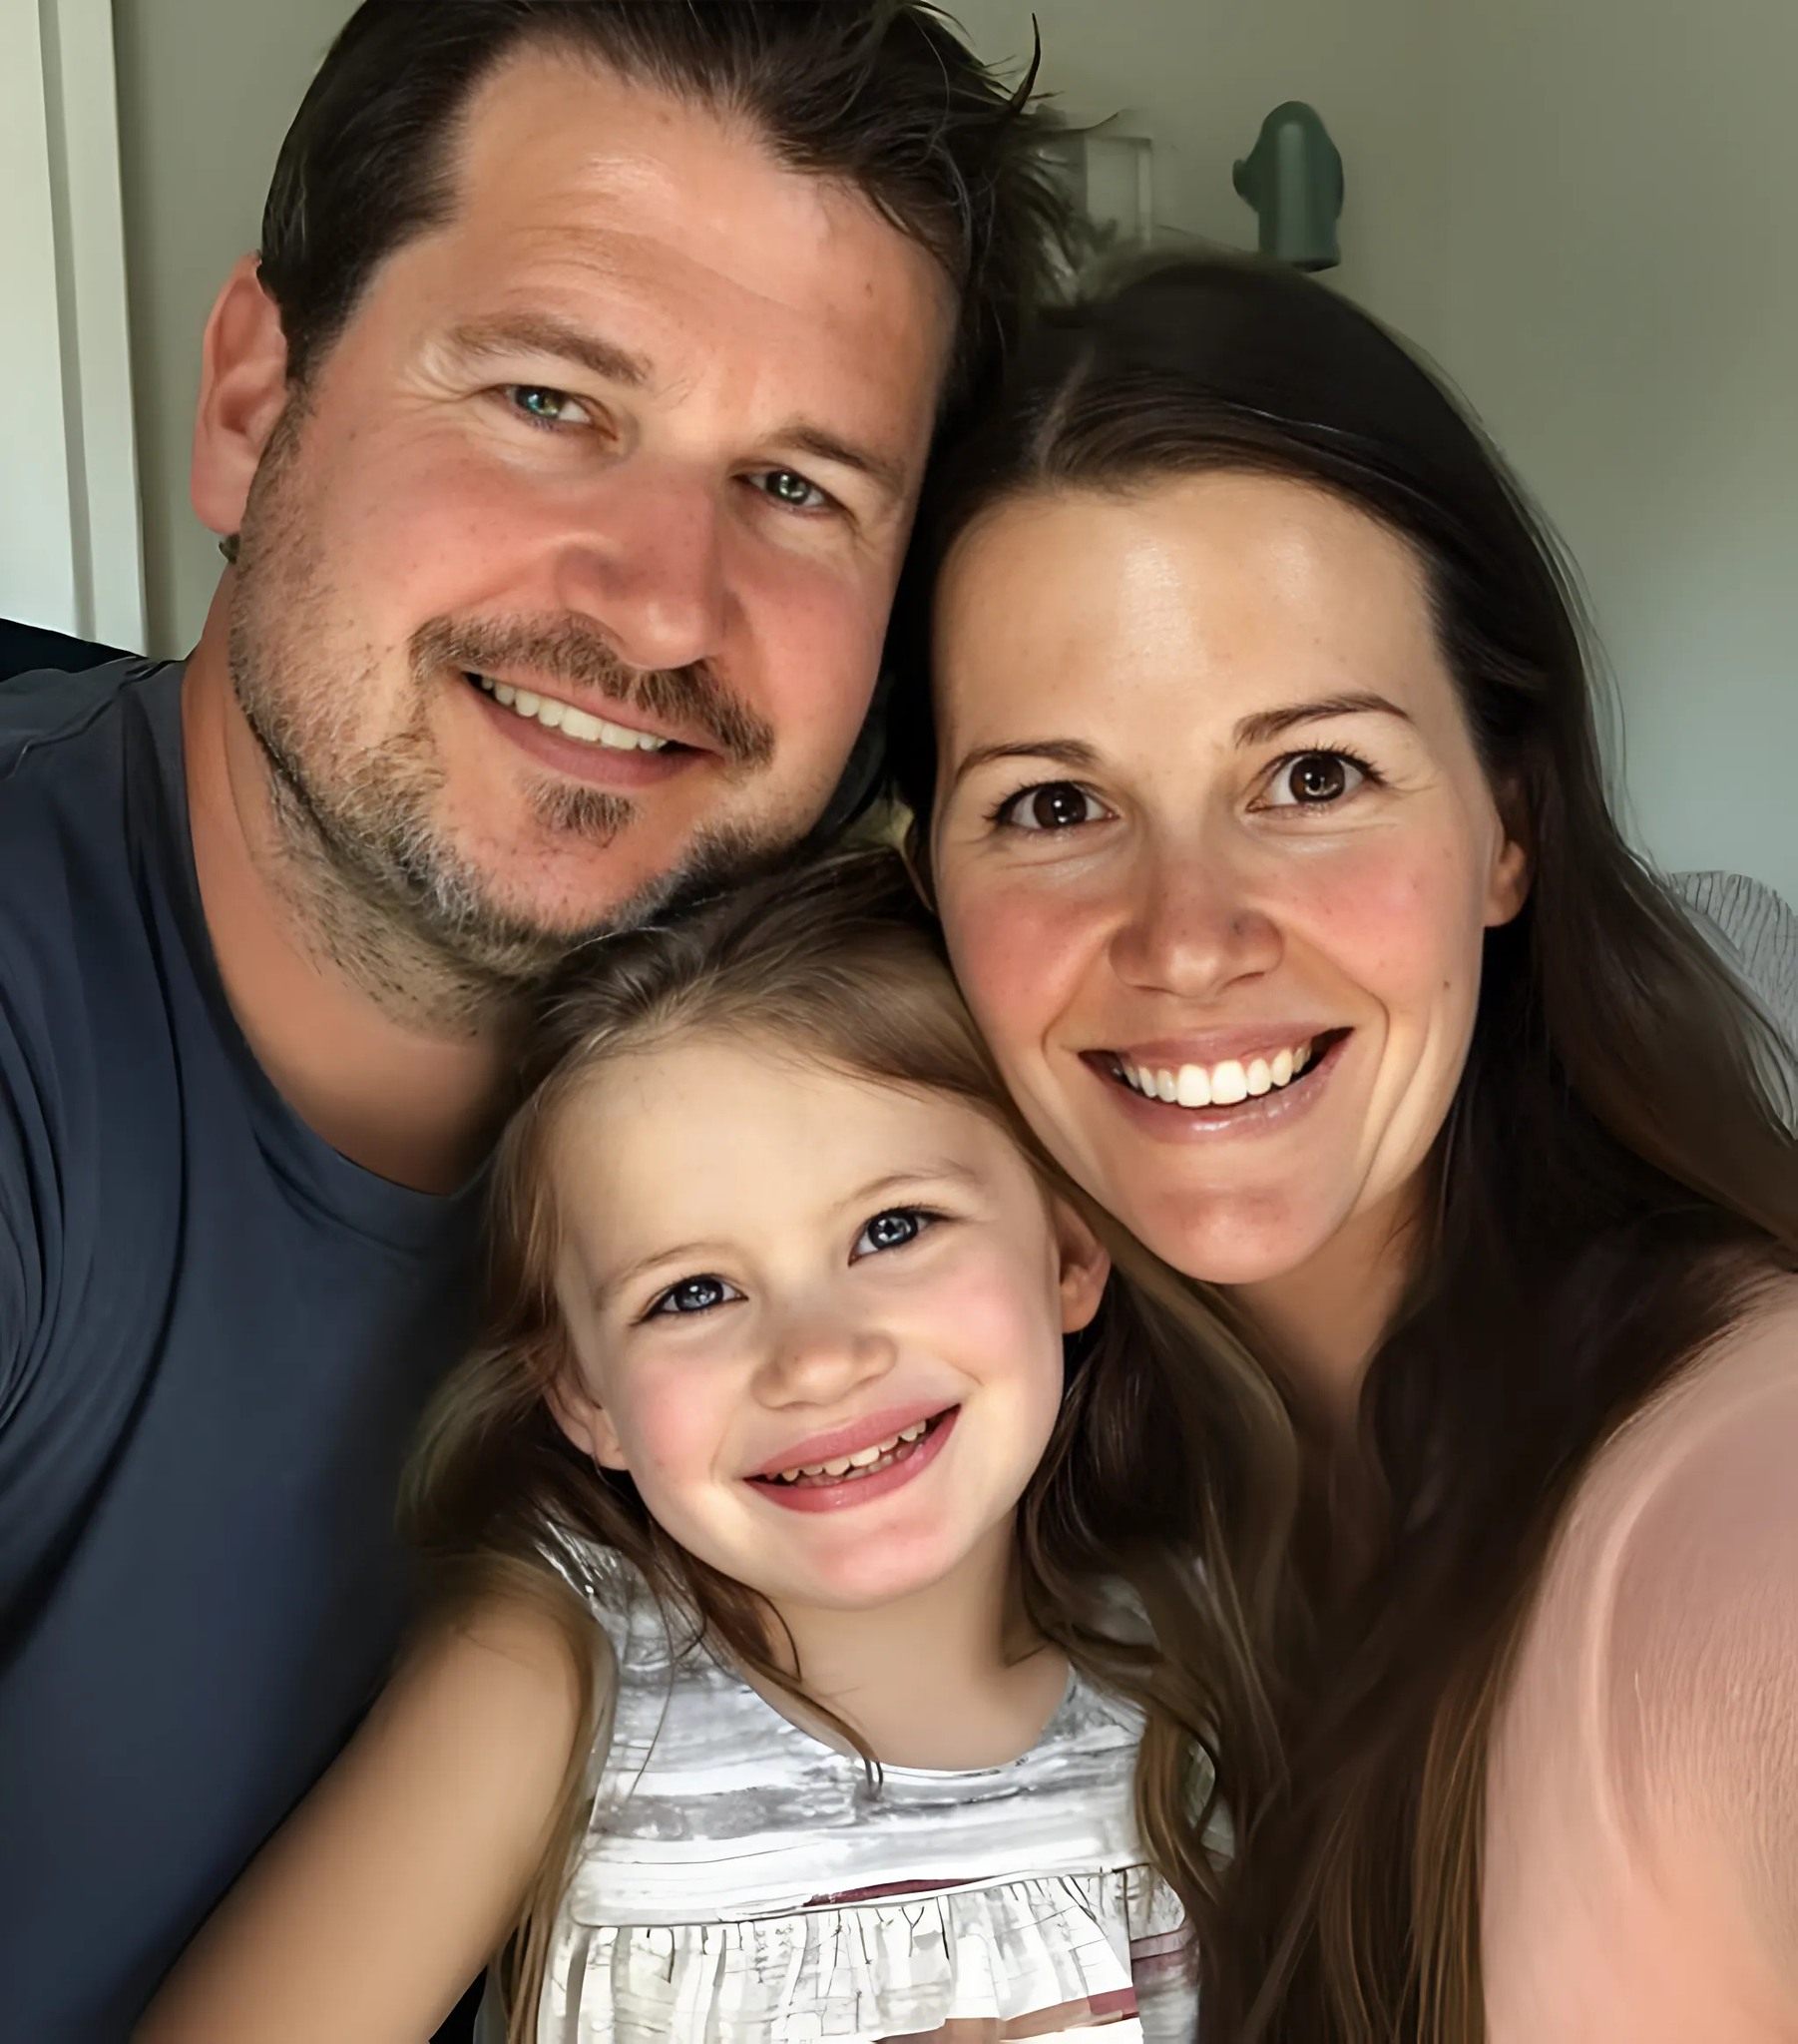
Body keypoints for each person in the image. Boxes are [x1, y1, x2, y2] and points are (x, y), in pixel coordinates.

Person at [0, 5, 1070, 2035]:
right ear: (251, 399)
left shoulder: (935, 1117)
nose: (662, 602)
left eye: (794, 485)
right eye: (548, 400)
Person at [894, 256, 1798, 2041]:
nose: (1186, 937)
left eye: (1311, 777)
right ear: (928, 885)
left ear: (1507, 827)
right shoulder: (945, 1464)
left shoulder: (1731, 1472)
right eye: (1054, 804)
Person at [138, 849, 1250, 2044]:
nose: (816, 1358)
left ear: (1068, 1249)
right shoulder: (551, 1680)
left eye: (893, 1227)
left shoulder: (1205, 1656)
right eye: (692, 1293)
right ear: (583, 1393)